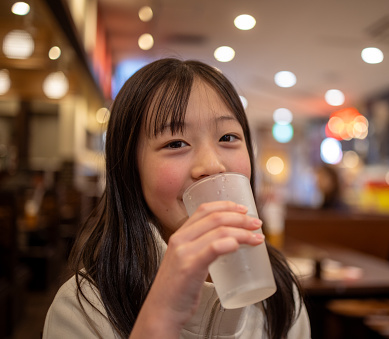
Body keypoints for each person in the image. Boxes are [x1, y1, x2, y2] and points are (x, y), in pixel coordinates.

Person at [43, 58, 310, 338]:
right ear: (130, 170)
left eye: (228, 137)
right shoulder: (81, 309)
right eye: (176, 143)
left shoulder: (283, 299)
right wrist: (161, 315)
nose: (212, 165)